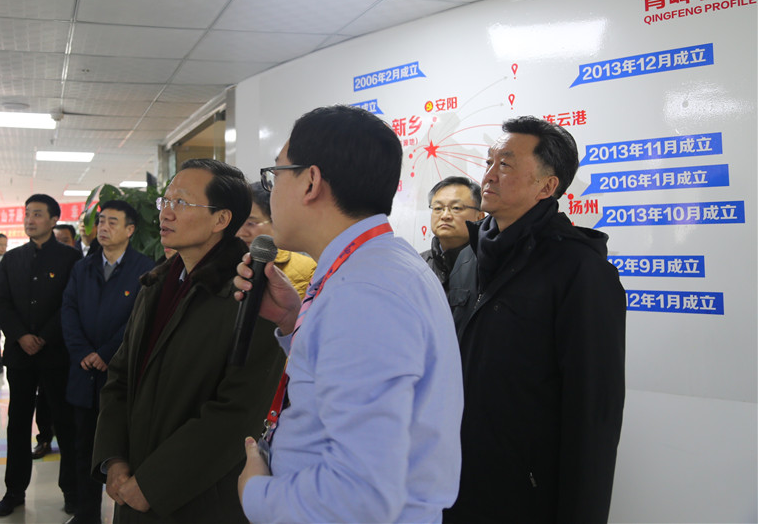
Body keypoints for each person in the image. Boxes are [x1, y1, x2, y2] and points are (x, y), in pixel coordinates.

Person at [235, 105, 463, 523]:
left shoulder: (364, 291)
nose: (271, 192)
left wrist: (257, 494)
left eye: (276, 174)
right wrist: (292, 320)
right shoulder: (375, 266)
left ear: (310, 182)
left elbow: (359, 495)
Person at [444, 116, 626, 523]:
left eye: (506, 164)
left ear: (547, 186)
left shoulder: (579, 270)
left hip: (525, 497)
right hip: (454, 485)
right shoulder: (468, 258)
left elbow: (594, 415)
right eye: (489, 162)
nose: (489, 175)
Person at [92, 159, 285, 523]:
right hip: (132, 486)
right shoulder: (155, 285)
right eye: (165, 202)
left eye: (181, 203)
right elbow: (119, 378)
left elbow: (238, 411)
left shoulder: (249, 295)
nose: (166, 213)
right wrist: (114, 460)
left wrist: (154, 483)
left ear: (221, 219)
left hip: (200, 499)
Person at [62, 200, 155, 524]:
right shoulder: (82, 268)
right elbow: (68, 312)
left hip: (121, 375)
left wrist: (106, 354)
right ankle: (86, 514)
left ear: (130, 230)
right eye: (101, 221)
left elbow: (138, 321)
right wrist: (83, 352)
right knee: (83, 448)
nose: (103, 227)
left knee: (123, 452)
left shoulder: (145, 268)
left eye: (112, 222)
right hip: (84, 374)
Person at [0, 194, 83, 517]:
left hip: (56, 354)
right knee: (18, 423)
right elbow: (1, 302)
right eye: (27, 214)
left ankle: (72, 491)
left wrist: (44, 336)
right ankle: (14, 491)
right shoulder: (12, 258)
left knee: (65, 423)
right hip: (20, 355)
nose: (30, 220)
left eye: (38, 214)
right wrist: (21, 335)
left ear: (54, 219)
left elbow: (71, 302)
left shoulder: (71, 259)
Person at [421, 176, 484, 333]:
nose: (445, 215)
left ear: (480, 216)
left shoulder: (487, 264)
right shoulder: (417, 265)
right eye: (438, 208)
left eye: (456, 208)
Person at [236, 181, 317, 297]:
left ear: (274, 220)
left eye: (251, 223)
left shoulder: (307, 269)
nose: (240, 233)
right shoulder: (225, 261)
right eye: (238, 223)